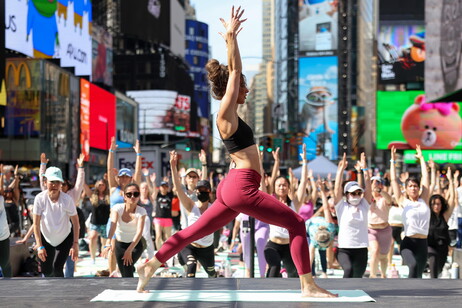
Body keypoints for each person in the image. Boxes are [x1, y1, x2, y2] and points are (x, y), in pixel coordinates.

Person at [137, 6, 336, 298]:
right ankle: (308, 285)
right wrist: (231, 38)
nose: (245, 91)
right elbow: (236, 71)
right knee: (296, 223)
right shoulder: (224, 114)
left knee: (195, 232)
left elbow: (234, 74)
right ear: (234, 88)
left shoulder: (231, 116)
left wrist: (231, 43)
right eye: (242, 88)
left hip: (235, 186)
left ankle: (151, 264)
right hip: (241, 187)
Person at [264, 144, 309, 278]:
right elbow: (270, 182)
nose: (282, 188)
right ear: (275, 188)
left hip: (289, 246)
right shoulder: (271, 201)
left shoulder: (295, 203)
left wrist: (305, 162)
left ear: (289, 187)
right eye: (279, 185)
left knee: (294, 275)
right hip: (273, 245)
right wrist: (276, 162)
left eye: (285, 185)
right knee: (274, 267)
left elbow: (304, 183)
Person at [170, 152, 217, 278]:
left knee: (212, 273)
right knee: (191, 266)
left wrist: (204, 164)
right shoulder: (190, 203)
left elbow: (204, 183)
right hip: (188, 239)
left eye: (194, 176)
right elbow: (178, 188)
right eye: (189, 176)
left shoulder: (214, 208)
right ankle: (188, 291)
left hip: (206, 247)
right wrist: (173, 166)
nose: (191, 178)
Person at [390, 145, 430, 278]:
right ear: (406, 189)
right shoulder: (403, 201)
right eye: (410, 186)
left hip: (423, 243)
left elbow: (425, 177)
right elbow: (393, 181)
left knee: (419, 274)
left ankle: (416, 296)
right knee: (412, 266)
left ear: (419, 188)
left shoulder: (423, 199)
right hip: (408, 242)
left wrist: (421, 159)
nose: (413, 188)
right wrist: (392, 161)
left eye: (415, 186)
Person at [32, 166, 80, 277]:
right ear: (45, 182)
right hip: (46, 237)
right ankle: (48, 292)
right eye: (52, 182)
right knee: (46, 271)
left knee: (57, 268)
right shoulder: (39, 198)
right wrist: (39, 246)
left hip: (64, 238)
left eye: (58, 182)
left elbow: (76, 222)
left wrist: (75, 244)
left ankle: (60, 293)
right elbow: (35, 224)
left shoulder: (67, 199)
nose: (54, 185)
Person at [106, 137, 141, 276]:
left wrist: (138, 154)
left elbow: (137, 173)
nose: (124, 179)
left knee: (126, 250)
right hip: (113, 223)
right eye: (122, 176)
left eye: (127, 176)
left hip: (127, 224)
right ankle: (111, 274)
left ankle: (122, 271)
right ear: (118, 178)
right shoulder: (113, 188)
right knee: (112, 249)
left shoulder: (133, 189)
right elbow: (109, 169)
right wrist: (111, 151)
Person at [334, 152, 372, 278]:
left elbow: (368, 186)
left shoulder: (364, 206)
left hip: (361, 249)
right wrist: (340, 170)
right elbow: (336, 190)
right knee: (348, 270)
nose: (355, 196)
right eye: (352, 193)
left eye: (358, 193)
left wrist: (365, 168)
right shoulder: (342, 207)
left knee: (357, 278)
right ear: (346, 195)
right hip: (345, 249)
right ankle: (343, 295)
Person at [102, 183, 146, 277]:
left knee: (127, 268)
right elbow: (113, 225)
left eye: (136, 194)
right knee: (124, 273)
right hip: (120, 245)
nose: (132, 197)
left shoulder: (141, 211)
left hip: (135, 245)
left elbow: (139, 232)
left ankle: (134, 289)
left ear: (139, 196)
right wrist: (108, 241)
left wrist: (129, 250)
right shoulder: (117, 208)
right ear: (124, 196)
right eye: (129, 194)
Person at [427, 167, 457, 278]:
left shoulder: (445, 215)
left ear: (442, 205)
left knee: (439, 267)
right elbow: (428, 192)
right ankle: (433, 285)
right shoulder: (427, 214)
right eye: (434, 204)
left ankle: (434, 278)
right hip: (430, 244)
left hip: (443, 246)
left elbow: (453, 199)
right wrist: (433, 175)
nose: (436, 206)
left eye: (438, 204)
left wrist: (452, 181)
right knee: (433, 259)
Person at [307, 181, 336, 278]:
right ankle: (313, 273)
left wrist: (323, 191)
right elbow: (310, 257)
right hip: (308, 226)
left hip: (318, 228)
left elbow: (327, 208)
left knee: (322, 253)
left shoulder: (331, 228)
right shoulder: (314, 237)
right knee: (313, 254)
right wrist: (309, 274)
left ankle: (324, 272)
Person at [367, 175, 393, 278]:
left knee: (383, 256)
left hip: (385, 230)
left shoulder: (383, 198)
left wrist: (379, 190)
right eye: (373, 182)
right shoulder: (366, 199)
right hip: (371, 230)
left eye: (377, 182)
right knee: (375, 251)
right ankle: (372, 276)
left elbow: (389, 199)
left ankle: (383, 275)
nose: (375, 184)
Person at [83, 179, 110, 263]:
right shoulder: (93, 195)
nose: (101, 186)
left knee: (104, 241)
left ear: (105, 186)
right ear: (96, 186)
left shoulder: (108, 195)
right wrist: (80, 173)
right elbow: (85, 186)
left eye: (103, 185)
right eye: (99, 185)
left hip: (105, 222)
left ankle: (104, 256)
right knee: (92, 237)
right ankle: (93, 257)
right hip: (95, 222)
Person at [153, 180, 174, 251]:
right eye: (162, 186)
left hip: (168, 218)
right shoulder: (158, 195)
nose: (164, 188)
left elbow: (174, 188)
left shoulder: (170, 195)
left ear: (168, 187)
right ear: (160, 187)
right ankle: (159, 253)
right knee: (158, 236)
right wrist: (153, 182)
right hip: (158, 218)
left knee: (168, 237)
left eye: (166, 186)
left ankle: (168, 251)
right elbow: (152, 191)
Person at [0, 165, 12, 277]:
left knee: (4, 263)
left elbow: (1, 189)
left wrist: (1, 175)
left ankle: (10, 283)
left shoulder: (0, 198)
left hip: (2, 236)